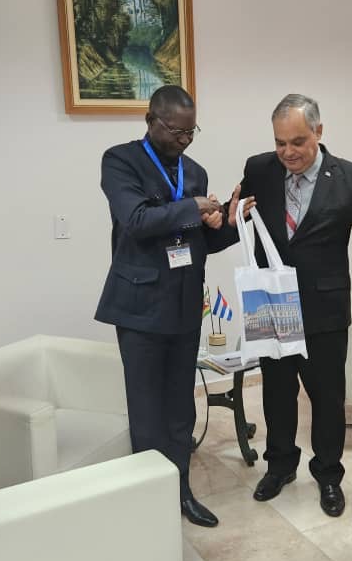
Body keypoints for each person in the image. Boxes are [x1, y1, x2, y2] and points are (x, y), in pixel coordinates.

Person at [238, 94, 352, 517]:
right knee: (277, 393)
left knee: (328, 399)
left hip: (324, 310)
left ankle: (328, 474)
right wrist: (220, 215)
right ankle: (280, 466)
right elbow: (238, 213)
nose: (288, 152)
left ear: (319, 132)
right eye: (280, 143)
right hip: (271, 304)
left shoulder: (349, 178)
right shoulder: (259, 169)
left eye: (298, 142)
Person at [96, 85, 249, 528]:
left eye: (190, 132)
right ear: (151, 121)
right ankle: (150, 501)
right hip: (140, 308)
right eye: (176, 131)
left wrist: (230, 222)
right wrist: (192, 206)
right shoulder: (120, 161)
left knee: (182, 407)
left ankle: (181, 489)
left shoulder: (194, 171)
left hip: (184, 305)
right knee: (148, 411)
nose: (184, 140)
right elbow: (136, 220)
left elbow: (198, 240)